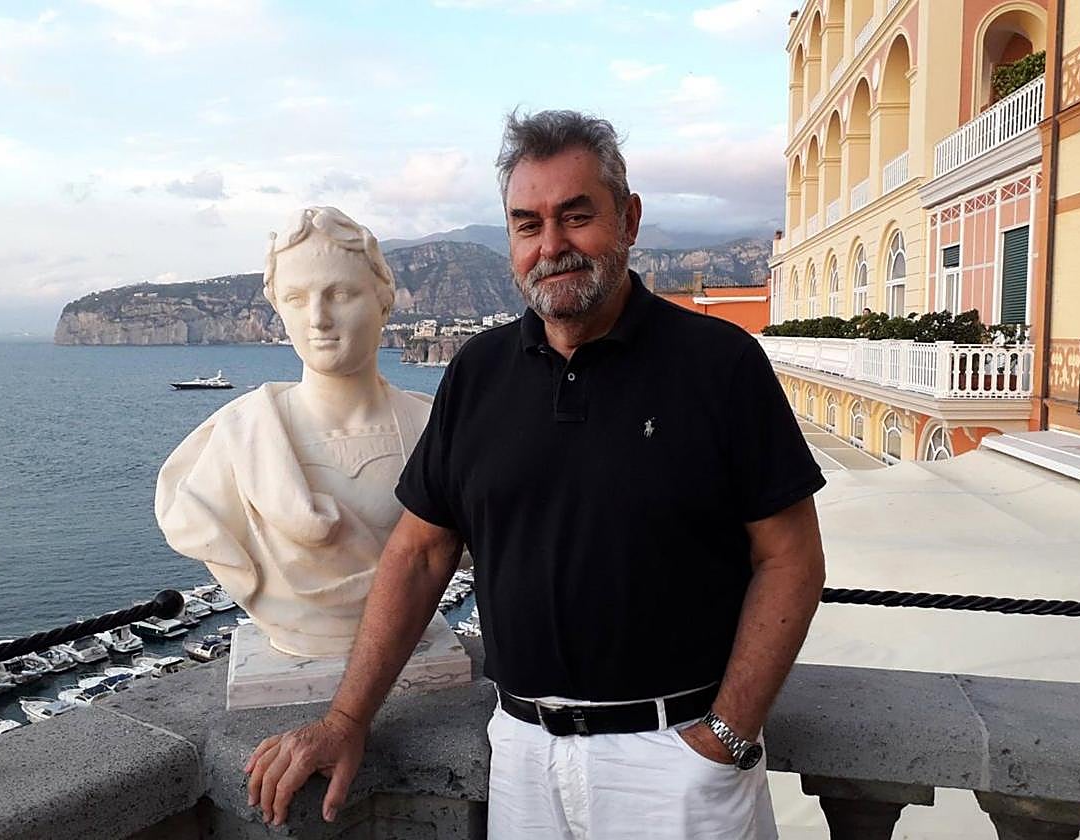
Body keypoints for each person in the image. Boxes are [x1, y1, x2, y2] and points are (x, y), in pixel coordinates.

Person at [245, 111, 827, 838]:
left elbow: (792, 557)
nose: (552, 246)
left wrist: (727, 736)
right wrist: (345, 718)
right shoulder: (478, 374)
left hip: (676, 763)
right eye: (527, 224)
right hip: (522, 756)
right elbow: (420, 553)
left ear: (629, 219)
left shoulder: (720, 366)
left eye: (576, 216)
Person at [156, 206, 433, 657]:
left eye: (340, 293)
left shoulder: (435, 432)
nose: (318, 318)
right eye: (297, 298)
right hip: (292, 638)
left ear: (384, 301)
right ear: (277, 308)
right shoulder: (236, 438)